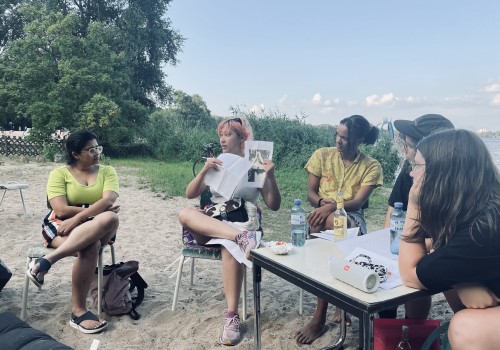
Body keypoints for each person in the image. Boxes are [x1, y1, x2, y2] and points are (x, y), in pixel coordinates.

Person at [178, 116, 281, 346]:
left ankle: (231, 315)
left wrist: (270, 177)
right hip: (214, 223)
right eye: (221, 135)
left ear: (242, 137)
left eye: (228, 135)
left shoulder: (255, 163)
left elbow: (274, 205)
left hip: (241, 221)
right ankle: (239, 238)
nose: (223, 140)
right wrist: (205, 170)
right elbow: (190, 193)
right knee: (185, 212)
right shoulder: (218, 162)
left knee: (230, 247)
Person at [399, 129, 500, 349]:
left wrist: (414, 203)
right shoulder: (485, 208)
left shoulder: (483, 230)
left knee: (465, 328)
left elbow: (410, 274)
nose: (411, 174)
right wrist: (463, 280)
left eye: (417, 166)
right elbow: (445, 255)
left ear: (443, 173)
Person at [294, 115, 383, 345]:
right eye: (337, 135)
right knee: (327, 225)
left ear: (360, 139)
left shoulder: (370, 166)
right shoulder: (322, 155)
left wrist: (333, 207)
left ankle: (319, 318)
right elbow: (311, 193)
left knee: (335, 224)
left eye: (344, 137)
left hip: (352, 219)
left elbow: (359, 202)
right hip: (320, 215)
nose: (338, 141)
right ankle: (337, 305)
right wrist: (322, 204)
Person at [26, 130, 119, 334]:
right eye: (91, 149)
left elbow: (108, 201)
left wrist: (80, 217)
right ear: (76, 154)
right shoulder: (59, 174)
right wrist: (89, 212)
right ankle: (78, 312)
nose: (97, 152)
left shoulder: (107, 171)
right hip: (61, 224)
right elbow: (60, 209)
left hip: (98, 223)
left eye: (98, 147)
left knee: (111, 217)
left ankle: (47, 261)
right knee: (90, 245)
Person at [379, 114, 455, 319]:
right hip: (415, 241)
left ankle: (415, 326)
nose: (404, 148)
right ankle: (389, 323)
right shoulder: (408, 172)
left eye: (410, 145)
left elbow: (452, 239)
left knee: (420, 268)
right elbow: (392, 213)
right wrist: (392, 243)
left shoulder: (455, 185)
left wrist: (414, 246)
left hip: (440, 248)